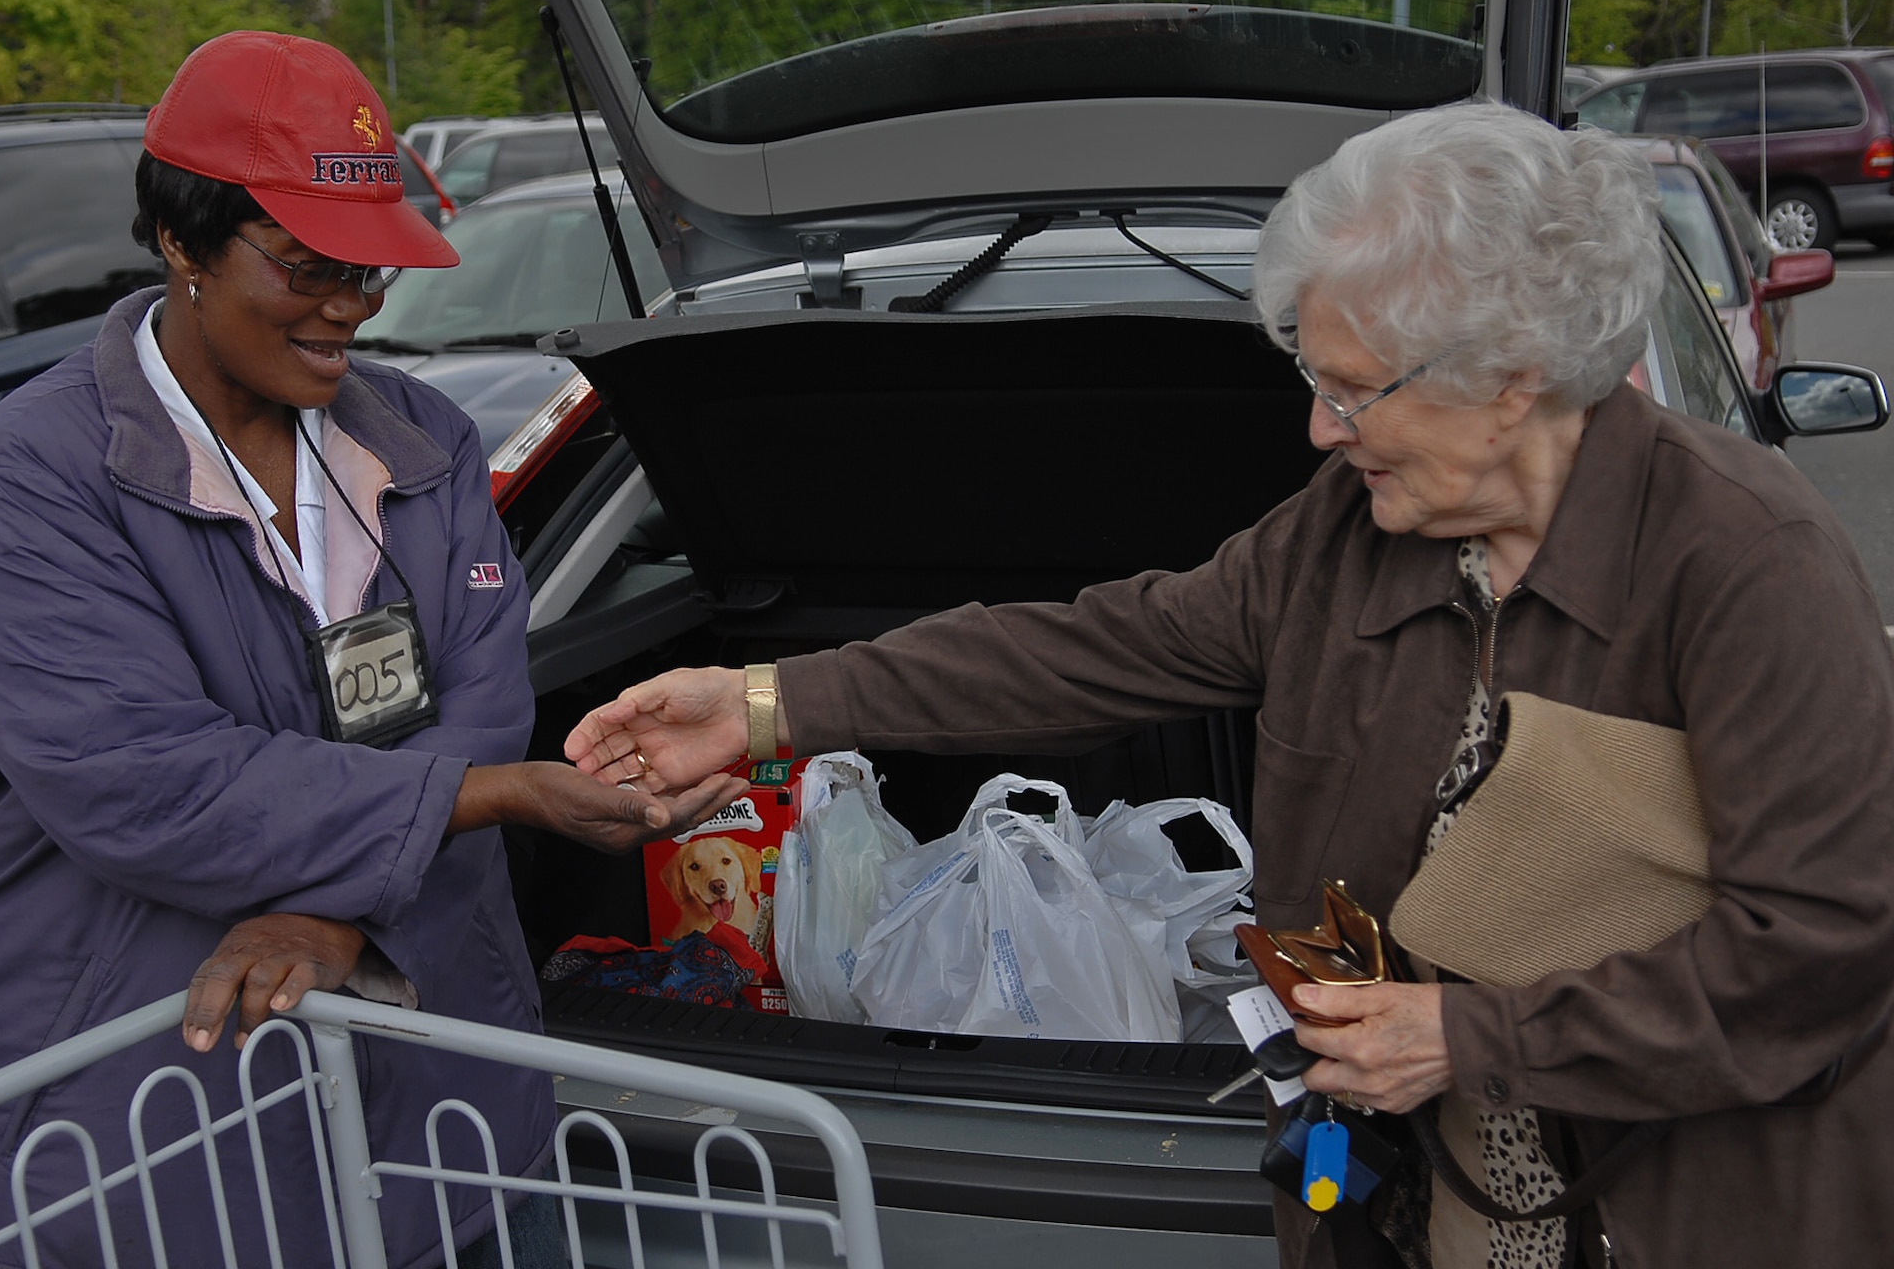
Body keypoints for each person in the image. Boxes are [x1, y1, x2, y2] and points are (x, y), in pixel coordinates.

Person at [565, 102, 1894, 1269]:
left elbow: (1821, 945)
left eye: (1356, 388)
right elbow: (1097, 645)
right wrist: (762, 708)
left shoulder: (1741, 560)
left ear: (1513, 379)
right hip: (1442, 1188)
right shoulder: (1346, 531)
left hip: (1695, 1197)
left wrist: (1473, 1036)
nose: (1320, 427)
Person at [0, 31, 740, 1268]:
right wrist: (487, 798)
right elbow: (142, 775)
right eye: (308, 266)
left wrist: (335, 909)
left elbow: (478, 684)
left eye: (369, 268)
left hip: (432, 1107)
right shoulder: (38, 474)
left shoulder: (422, 435)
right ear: (182, 242)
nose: (351, 305)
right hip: (135, 1121)